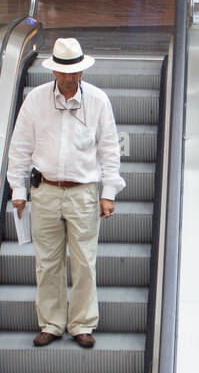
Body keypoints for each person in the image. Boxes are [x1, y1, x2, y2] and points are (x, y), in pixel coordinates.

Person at [8, 38, 123, 349]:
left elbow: (110, 149)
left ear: (82, 72)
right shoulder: (34, 100)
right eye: (64, 72)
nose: (69, 78)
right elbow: (20, 148)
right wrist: (18, 189)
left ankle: (82, 323)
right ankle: (52, 323)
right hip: (44, 189)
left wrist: (108, 191)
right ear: (54, 72)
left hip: (83, 191)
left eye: (74, 72)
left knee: (84, 261)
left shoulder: (98, 101)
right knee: (47, 262)